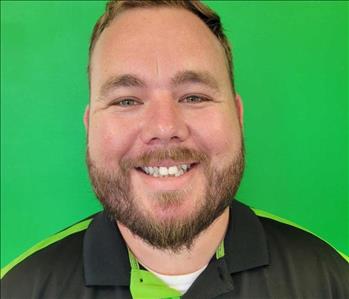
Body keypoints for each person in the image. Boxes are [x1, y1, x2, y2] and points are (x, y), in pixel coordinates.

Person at [1, 1, 348, 298]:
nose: (164, 128)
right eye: (126, 100)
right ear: (90, 126)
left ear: (238, 117)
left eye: (194, 97)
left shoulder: (332, 280)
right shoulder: (17, 289)